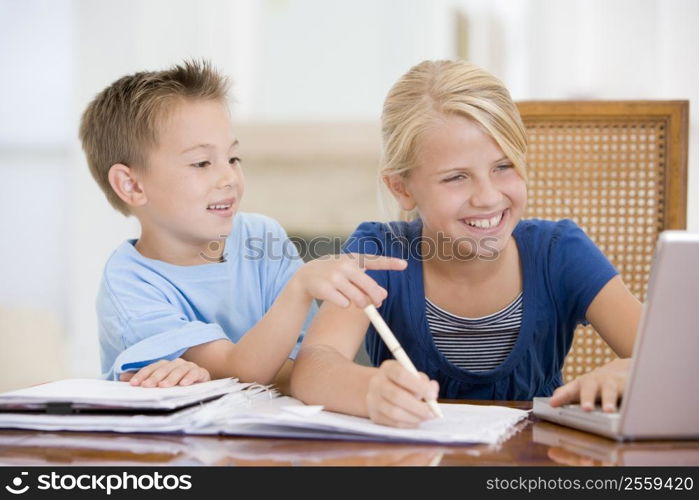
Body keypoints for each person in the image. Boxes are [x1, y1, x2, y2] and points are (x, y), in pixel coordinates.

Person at [290, 59, 641, 427]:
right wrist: (367, 389)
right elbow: (314, 367)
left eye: (503, 167)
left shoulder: (560, 253)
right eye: (457, 177)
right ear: (402, 188)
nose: (488, 197)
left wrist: (630, 372)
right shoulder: (380, 252)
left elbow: (673, 360)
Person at [79, 60, 406, 390]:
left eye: (233, 158)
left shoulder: (262, 236)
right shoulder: (130, 284)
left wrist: (243, 371)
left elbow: (302, 369)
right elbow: (241, 371)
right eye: (201, 162)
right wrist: (299, 289)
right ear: (132, 185)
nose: (229, 177)